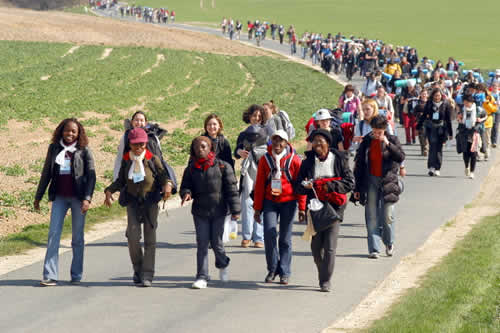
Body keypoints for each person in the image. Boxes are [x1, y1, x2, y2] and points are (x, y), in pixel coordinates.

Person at [104, 128, 172, 287]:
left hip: (150, 202)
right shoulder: (127, 160)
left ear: (146, 144)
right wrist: (109, 191)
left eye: (141, 144)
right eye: (135, 144)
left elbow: (163, 176)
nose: (138, 147)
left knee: (150, 239)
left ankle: (147, 274)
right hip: (133, 202)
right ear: (130, 144)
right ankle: (138, 269)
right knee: (133, 237)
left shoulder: (152, 159)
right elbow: (120, 180)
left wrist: (167, 185)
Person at [35, 118, 96, 286]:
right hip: (60, 198)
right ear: (61, 131)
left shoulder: (84, 150)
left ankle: (76, 275)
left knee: (77, 238)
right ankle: (50, 275)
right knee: (53, 234)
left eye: (73, 131)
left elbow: (91, 176)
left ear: (78, 134)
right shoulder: (54, 149)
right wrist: (38, 196)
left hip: (78, 199)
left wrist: (87, 198)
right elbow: (46, 173)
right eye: (67, 131)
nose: (69, 134)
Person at [295, 129, 354, 292]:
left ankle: (325, 280)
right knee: (316, 248)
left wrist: (328, 185)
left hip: (334, 208)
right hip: (314, 208)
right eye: (314, 142)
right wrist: (305, 186)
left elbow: (349, 183)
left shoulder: (339, 159)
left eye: (321, 141)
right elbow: (298, 185)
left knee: (329, 246)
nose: (317, 144)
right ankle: (323, 271)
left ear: (328, 143)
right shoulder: (307, 162)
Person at [180, 136, 240, 289]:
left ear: (210, 148)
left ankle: (223, 263)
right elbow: (185, 186)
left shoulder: (223, 166)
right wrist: (186, 193)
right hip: (200, 212)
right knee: (202, 243)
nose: (200, 150)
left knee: (217, 243)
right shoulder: (191, 168)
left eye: (204, 146)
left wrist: (235, 210)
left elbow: (232, 190)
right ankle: (202, 276)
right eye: (197, 147)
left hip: (219, 211)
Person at [253, 130, 306, 285]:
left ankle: (285, 271)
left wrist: (302, 208)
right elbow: (260, 186)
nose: (277, 144)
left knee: (285, 238)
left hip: (289, 202)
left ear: (286, 142)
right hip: (270, 201)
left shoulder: (294, 160)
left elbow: (301, 186)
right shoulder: (265, 160)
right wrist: (257, 209)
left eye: (281, 141)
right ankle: (272, 268)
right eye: (274, 141)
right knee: (269, 234)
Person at [353, 115, 405, 259]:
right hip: (370, 180)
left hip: (388, 181)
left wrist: (387, 143)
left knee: (388, 215)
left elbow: (400, 157)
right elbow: (359, 164)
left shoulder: (392, 140)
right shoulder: (367, 142)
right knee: (372, 216)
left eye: (379, 132)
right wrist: (357, 188)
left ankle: (389, 242)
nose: (376, 135)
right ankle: (374, 248)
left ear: (384, 130)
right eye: (374, 132)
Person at [234, 105, 268, 248]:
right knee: (247, 202)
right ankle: (246, 236)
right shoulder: (243, 134)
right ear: (249, 117)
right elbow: (236, 151)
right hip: (248, 171)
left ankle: (258, 237)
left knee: (261, 201)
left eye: (259, 116)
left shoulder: (268, 132)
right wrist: (240, 152)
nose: (256, 118)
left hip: (264, 170)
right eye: (254, 116)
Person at [417, 88, 453, 176]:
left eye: (439, 95)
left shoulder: (445, 104)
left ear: (441, 96)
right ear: (433, 95)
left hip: (441, 128)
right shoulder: (429, 104)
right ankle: (431, 167)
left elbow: (448, 119)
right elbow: (424, 116)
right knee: (432, 147)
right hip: (431, 127)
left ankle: (437, 167)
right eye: (435, 95)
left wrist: (450, 133)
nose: (437, 97)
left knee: (438, 148)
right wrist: (418, 126)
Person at [456, 95, 479, 179]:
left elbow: (485, 116)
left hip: (474, 132)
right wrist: (459, 119)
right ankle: (466, 166)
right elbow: (458, 118)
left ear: (471, 102)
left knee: (473, 153)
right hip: (464, 132)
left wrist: (479, 120)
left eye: (467, 103)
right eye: (464, 102)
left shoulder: (478, 109)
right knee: (465, 152)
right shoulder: (462, 109)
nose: (465, 104)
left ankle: (472, 172)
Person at [414, 89, 429, 156]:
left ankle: (426, 148)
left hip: (428, 121)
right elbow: (413, 112)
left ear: (427, 95)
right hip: (420, 121)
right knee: (421, 136)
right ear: (420, 95)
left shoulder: (430, 103)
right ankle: (423, 148)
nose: (424, 95)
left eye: (425, 94)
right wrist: (419, 114)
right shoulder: (417, 103)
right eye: (423, 94)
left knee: (426, 135)